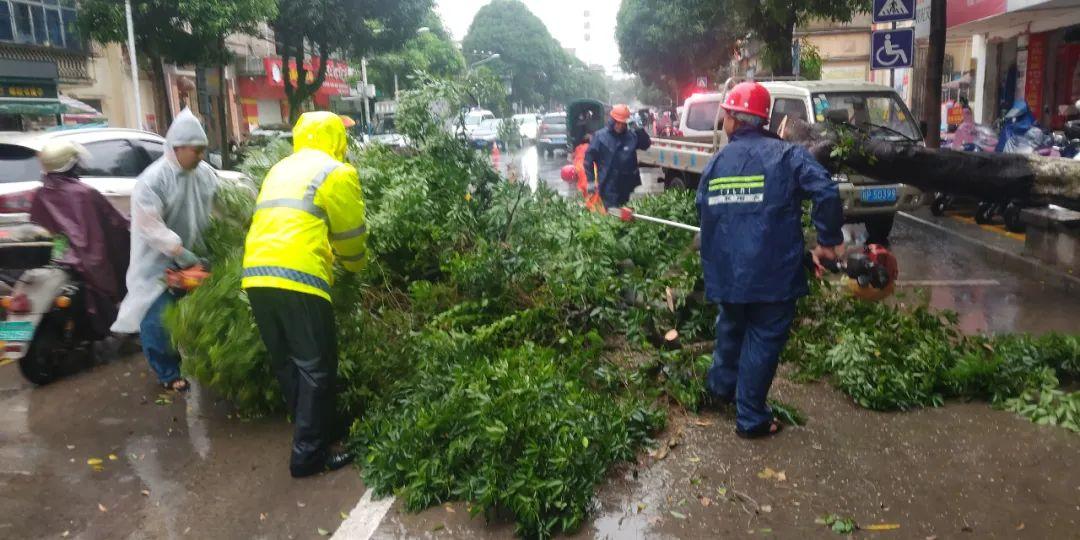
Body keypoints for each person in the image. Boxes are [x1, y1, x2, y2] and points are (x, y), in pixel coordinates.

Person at [696, 82, 844, 438]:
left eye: (726, 115)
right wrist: (828, 241)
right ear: (763, 119)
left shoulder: (716, 163)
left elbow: (703, 211)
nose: (724, 121)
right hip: (773, 276)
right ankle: (750, 418)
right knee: (762, 340)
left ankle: (720, 390)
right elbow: (825, 190)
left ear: (732, 119)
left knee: (730, 329)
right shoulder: (787, 155)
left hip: (728, 274)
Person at [241, 112, 368, 478]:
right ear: (335, 139)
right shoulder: (335, 171)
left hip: (256, 275)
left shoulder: (280, 169)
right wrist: (356, 268)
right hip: (300, 276)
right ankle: (309, 457)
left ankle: (314, 433)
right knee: (316, 367)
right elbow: (350, 234)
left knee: (289, 363)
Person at [112, 109, 219, 393]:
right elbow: (151, 226)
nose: (200, 156)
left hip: (198, 258)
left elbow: (222, 206)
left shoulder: (205, 174)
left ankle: (208, 364)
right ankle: (168, 372)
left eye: (203, 150)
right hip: (159, 265)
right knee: (159, 320)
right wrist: (180, 253)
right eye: (196, 150)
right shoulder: (153, 180)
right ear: (177, 147)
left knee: (204, 316)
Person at [30, 140, 130, 339]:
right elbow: (115, 222)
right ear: (72, 164)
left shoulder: (40, 194)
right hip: (85, 259)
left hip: (58, 257)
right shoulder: (84, 193)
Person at [584, 104, 652, 209]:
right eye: (617, 122)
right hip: (608, 182)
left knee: (623, 208)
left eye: (623, 123)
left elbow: (646, 144)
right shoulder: (600, 137)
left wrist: (638, 128)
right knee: (612, 210)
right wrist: (591, 181)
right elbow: (588, 159)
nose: (620, 126)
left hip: (626, 182)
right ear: (612, 120)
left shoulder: (631, 136)